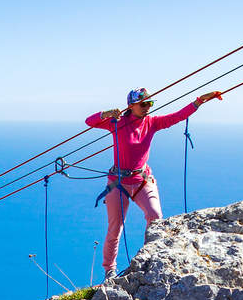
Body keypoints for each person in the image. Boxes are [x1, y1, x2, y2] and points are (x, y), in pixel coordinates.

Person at [87, 88, 223, 282]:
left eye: (150, 104)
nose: (147, 108)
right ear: (131, 106)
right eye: (143, 104)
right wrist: (106, 113)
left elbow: (177, 117)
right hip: (118, 183)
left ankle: (147, 258)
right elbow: (89, 122)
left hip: (142, 180)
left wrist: (199, 101)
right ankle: (110, 271)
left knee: (155, 217)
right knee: (115, 228)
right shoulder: (117, 123)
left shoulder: (151, 123)